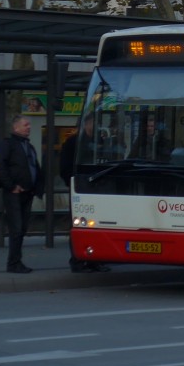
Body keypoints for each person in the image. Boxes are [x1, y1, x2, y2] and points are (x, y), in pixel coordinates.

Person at [0, 115, 45, 273]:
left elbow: (35, 167)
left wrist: (37, 188)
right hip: (15, 193)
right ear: (16, 128)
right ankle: (13, 263)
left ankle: (16, 261)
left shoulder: (28, 146)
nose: (29, 127)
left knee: (21, 229)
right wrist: (11, 186)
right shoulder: (7, 145)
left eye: (29, 124)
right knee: (16, 228)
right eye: (25, 125)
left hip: (27, 193)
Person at [60, 116, 110, 274]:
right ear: (87, 124)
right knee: (79, 223)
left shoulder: (99, 142)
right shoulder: (73, 142)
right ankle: (78, 260)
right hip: (82, 187)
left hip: (98, 187)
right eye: (94, 122)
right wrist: (72, 183)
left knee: (98, 224)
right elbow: (65, 167)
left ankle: (95, 259)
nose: (96, 126)